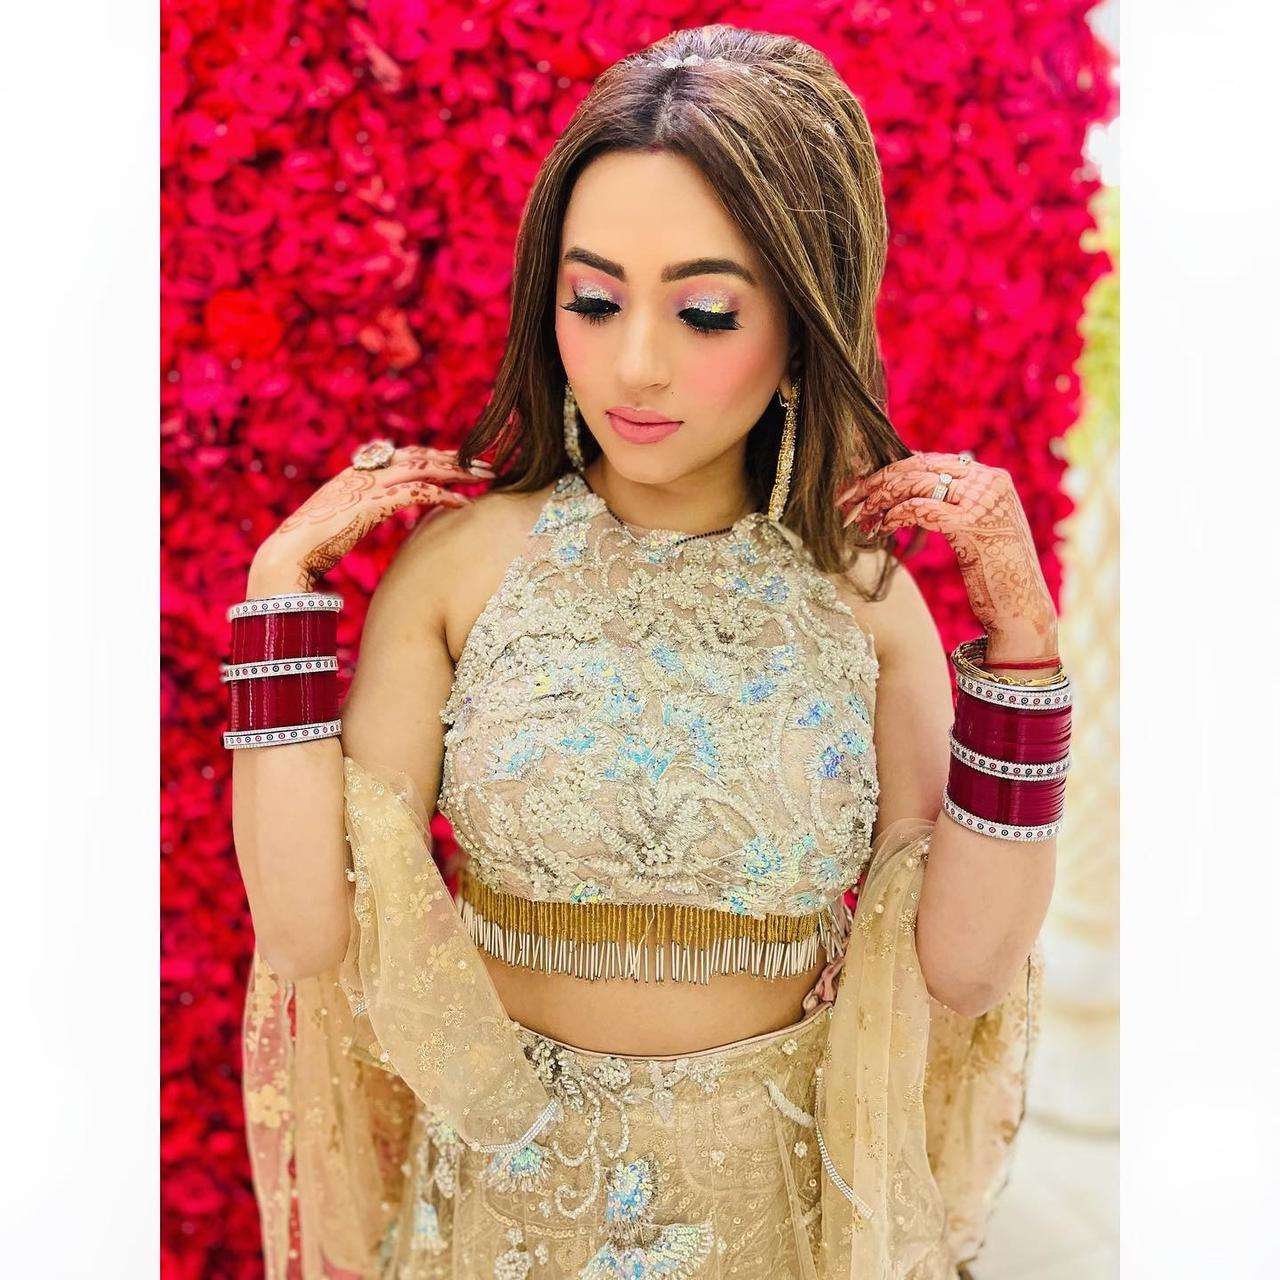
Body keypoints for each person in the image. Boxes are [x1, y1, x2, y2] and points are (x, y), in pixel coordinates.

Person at [229, 25, 1068, 1280]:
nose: (634, 363)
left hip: (770, 1224)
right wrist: (276, 597)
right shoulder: (459, 571)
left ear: (803, 321)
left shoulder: (860, 596)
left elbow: (962, 966)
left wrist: (1025, 649)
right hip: (501, 1217)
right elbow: (305, 931)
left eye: (704, 311)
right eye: (593, 299)